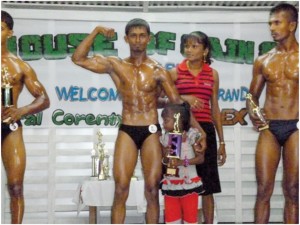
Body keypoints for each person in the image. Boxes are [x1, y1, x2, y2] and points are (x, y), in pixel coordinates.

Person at [71, 18, 206, 224]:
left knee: (152, 189)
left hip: (151, 131)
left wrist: (199, 132)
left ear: (149, 39)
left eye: (142, 35)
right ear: (126, 38)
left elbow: (178, 105)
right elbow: (78, 58)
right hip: (127, 129)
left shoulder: (158, 70)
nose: (137, 40)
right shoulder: (115, 64)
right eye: (133, 35)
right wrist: (97, 31)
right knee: (120, 188)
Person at [160, 31, 227, 223]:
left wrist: (222, 141)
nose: (189, 50)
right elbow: (159, 100)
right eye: (186, 46)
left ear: (205, 50)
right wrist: (184, 99)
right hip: (177, 132)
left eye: (194, 46)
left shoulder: (212, 74)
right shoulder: (174, 72)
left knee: (208, 184)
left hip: (204, 132)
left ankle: (207, 222)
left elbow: (215, 108)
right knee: (174, 176)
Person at [246, 3, 298, 224]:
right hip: (270, 128)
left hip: (296, 127)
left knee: (293, 190)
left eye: (277, 22)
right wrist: (253, 111)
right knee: (263, 189)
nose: (272, 28)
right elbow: (251, 96)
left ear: (292, 25)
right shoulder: (264, 60)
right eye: (270, 23)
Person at [1, 10, 50, 224]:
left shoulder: (20, 66)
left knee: (16, 186)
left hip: (9, 125)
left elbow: (44, 99)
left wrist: (20, 111)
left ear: (9, 33)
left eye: (0, 29)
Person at [160, 102, 205, 224]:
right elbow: (164, 160)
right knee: (171, 220)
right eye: (163, 121)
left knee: (190, 219)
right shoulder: (165, 138)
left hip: (189, 183)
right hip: (171, 183)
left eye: (166, 121)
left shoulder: (192, 135)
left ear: (177, 119)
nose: (163, 124)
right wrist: (166, 157)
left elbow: (200, 159)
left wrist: (182, 162)